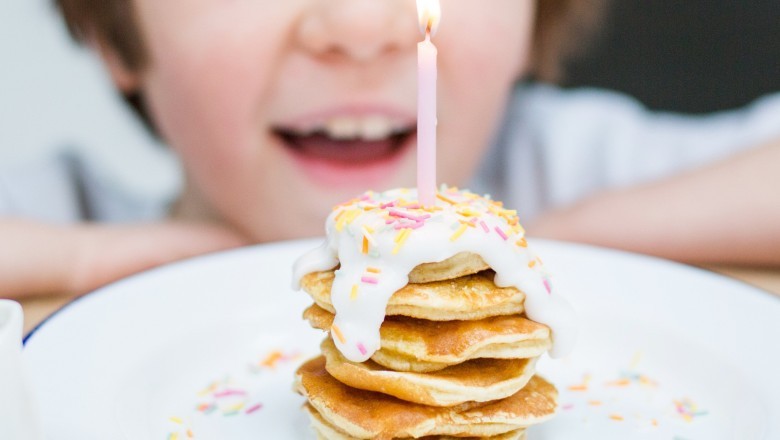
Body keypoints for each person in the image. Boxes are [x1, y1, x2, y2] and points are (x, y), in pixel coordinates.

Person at [1, 0, 778, 299]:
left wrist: (526, 252)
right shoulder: (64, 223)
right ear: (114, 33)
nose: (363, 24)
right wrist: (75, 267)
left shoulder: (566, 168)